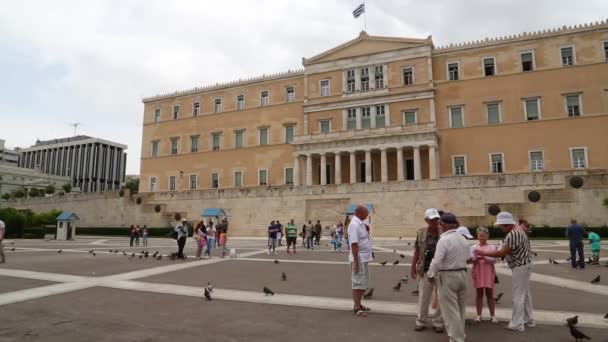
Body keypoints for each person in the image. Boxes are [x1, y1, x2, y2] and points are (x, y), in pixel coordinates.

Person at [477, 211, 535, 332]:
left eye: (501, 226)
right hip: (525, 264)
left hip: (520, 266)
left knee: (517, 295)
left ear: (507, 224)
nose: (500, 228)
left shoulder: (513, 234)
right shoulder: (519, 229)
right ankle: (528, 320)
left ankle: (517, 324)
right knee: (525, 294)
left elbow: (502, 253)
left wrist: (483, 252)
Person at [427, 213, 470, 342]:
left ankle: (456, 338)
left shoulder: (444, 239)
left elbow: (437, 260)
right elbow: (467, 257)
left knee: (450, 311)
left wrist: (430, 274)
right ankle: (460, 334)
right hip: (462, 273)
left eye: (440, 224)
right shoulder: (462, 238)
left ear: (444, 225)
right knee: (461, 308)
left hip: (447, 275)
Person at [411, 208, 444, 333]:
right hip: (425, 269)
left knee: (441, 297)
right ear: (426, 220)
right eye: (432, 220)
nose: (435, 222)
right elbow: (417, 250)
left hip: (441, 270)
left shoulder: (444, 233)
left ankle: (438, 322)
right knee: (424, 296)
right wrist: (413, 266)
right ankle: (421, 320)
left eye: (436, 219)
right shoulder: (421, 233)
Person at [348, 205, 373, 317]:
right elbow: (354, 244)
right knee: (358, 283)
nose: (368, 214)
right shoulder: (354, 225)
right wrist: (356, 263)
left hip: (364, 258)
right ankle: (356, 307)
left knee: (363, 283)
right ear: (359, 213)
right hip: (359, 258)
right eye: (366, 212)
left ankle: (359, 304)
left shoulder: (360, 223)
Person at [469, 227, 498, 323]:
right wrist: (474, 259)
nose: (481, 237)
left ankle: (492, 315)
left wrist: (484, 256)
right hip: (478, 271)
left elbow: (494, 260)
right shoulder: (473, 247)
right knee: (479, 294)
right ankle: (478, 315)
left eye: (483, 236)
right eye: (480, 236)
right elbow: (471, 259)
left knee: (490, 294)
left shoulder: (492, 247)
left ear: (487, 236)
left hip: (488, 272)